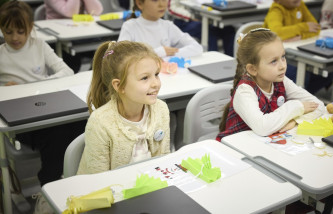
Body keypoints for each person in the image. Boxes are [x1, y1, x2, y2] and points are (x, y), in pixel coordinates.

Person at [0, 1, 86, 213]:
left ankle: (73, 180)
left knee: (79, 125)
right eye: (8, 31)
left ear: (31, 28)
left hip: (46, 109)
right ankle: (48, 187)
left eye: (21, 31)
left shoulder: (39, 46)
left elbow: (66, 72)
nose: (14, 37)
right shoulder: (1, 53)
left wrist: (32, 84)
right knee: (56, 135)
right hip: (22, 120)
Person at [77, 40, 171, 175]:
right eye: (145, 78)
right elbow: (98, 180)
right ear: (119, 86)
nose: (156, 83)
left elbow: (164, 159)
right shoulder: (100, 122)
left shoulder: (161, 109)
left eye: (156, 74)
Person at [217, 28, 325, 140]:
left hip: (263, 145)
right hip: (234, 147)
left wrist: (296, 121)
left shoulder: (280, 80)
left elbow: (319, 105)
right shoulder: (245, 90)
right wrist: (295, 106)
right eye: (274, 61)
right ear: (253, 69)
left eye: (283, 57)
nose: (282, 66)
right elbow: (262, 127)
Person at [263, 0, 333, 94]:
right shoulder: (276, 11)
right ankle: (291, 98)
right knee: (300, 72)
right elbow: (277, 33)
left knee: (328, 72)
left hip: (295, 52)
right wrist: (304, 27)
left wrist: (300, 37)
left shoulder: (300, 5)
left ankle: (302, 96)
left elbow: (316, 28)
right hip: (273, 58)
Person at [117, 0, 203, 58]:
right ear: (139, 3)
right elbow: (121, 57)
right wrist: (159, 53)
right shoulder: (130, 27)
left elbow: (197, 47)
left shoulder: (168, 26)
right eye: (155, 0)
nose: (161, 4)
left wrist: (170, 56)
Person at [44, 0, 104, 73]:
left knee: (101, 51)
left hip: (80, 32)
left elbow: (97, 11)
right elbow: (71, 13)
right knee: (73, 63)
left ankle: (93, 77)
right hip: (57, 36)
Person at [168, 0, 236, 56]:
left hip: (207, 18)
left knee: (229, 30)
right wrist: (191, 16)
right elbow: (171, 8)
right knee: (209, 33)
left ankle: (230, 59)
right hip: (185, 22)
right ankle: (212, 61)